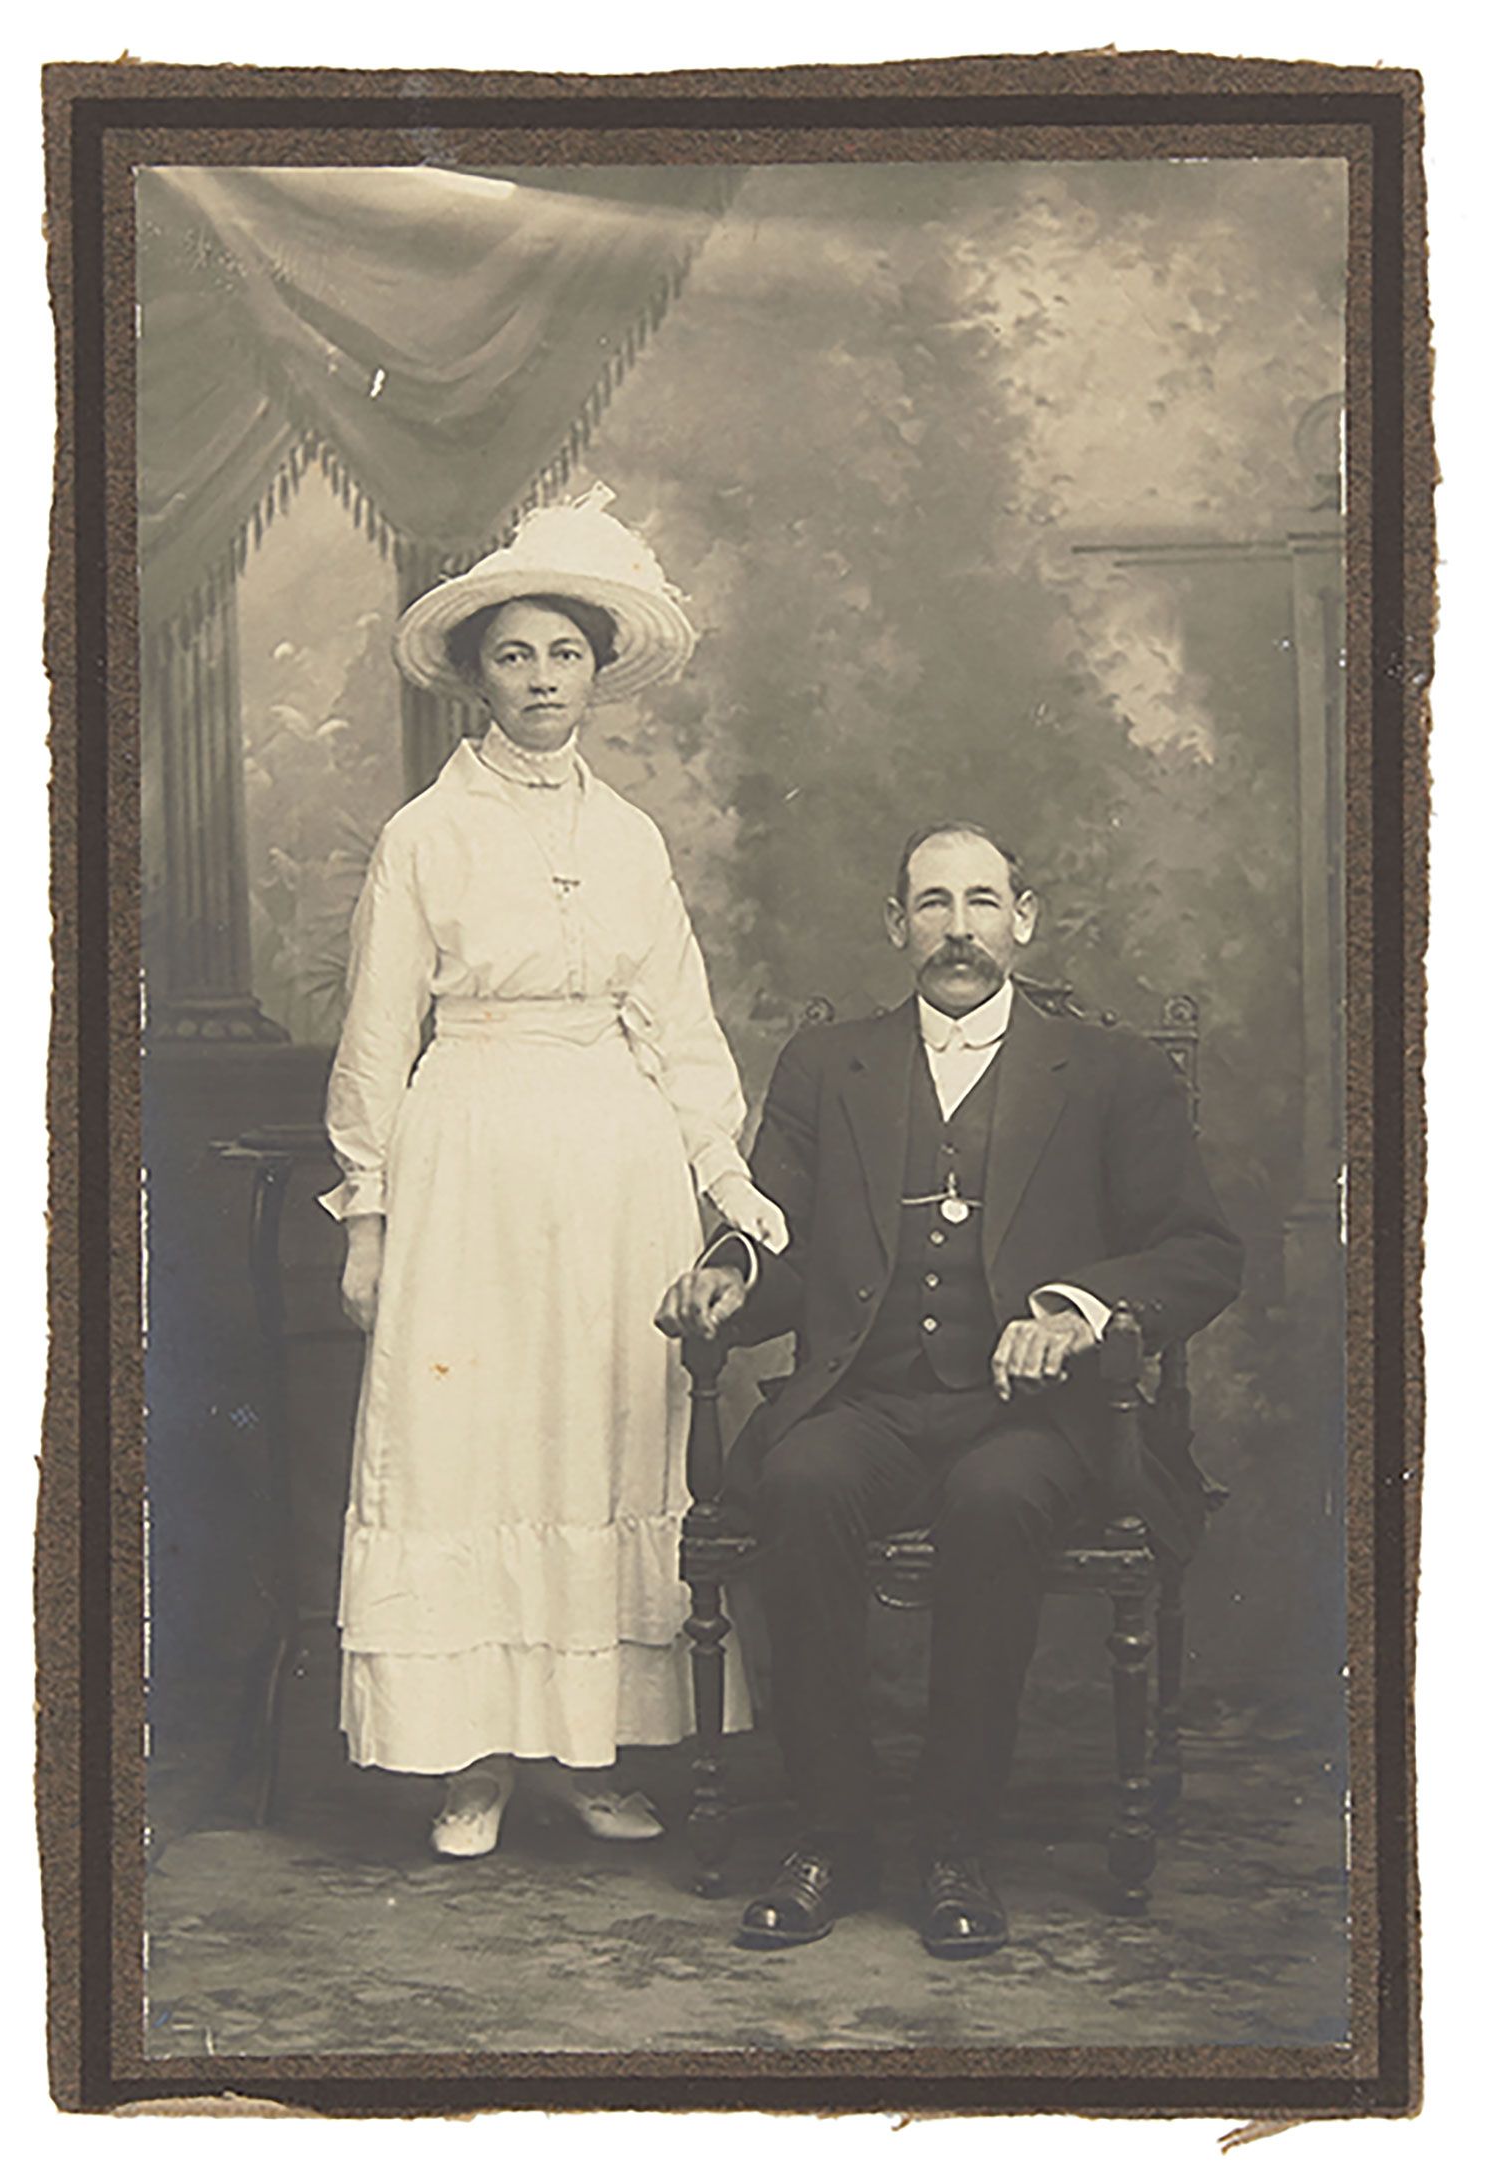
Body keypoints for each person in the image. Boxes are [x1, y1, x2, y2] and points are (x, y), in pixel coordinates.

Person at [656, 822, 1243, 1955]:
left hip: (1035, 1419)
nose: (958, 929)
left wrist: (1074, 1311)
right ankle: (831, 1837)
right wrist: (729, 1273)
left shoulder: (1112, 1070)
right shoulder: (828, 1067)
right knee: (801, 1481)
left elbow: (1199, 1252)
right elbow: (774, 1238)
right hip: (869, 1404)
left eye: (981, 903)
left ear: (1024, 919)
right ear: (897, 926)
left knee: (997, 1500)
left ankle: (954, 1844)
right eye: (933, 904)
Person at [322, 486, 782, 1858]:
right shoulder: (425, 835)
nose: (540, 679)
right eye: (514, 655)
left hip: (615, 1167)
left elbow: (681, 1023)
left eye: (563, 655)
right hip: (470, 1156)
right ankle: (471, 1761)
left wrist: (725, 1181)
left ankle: (586, 1752)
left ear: (596, 672)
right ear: (478, 675)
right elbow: (376, 1036)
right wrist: (367, 1218)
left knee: (601, 1433)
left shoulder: (631, 837)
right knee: (470, 1440)